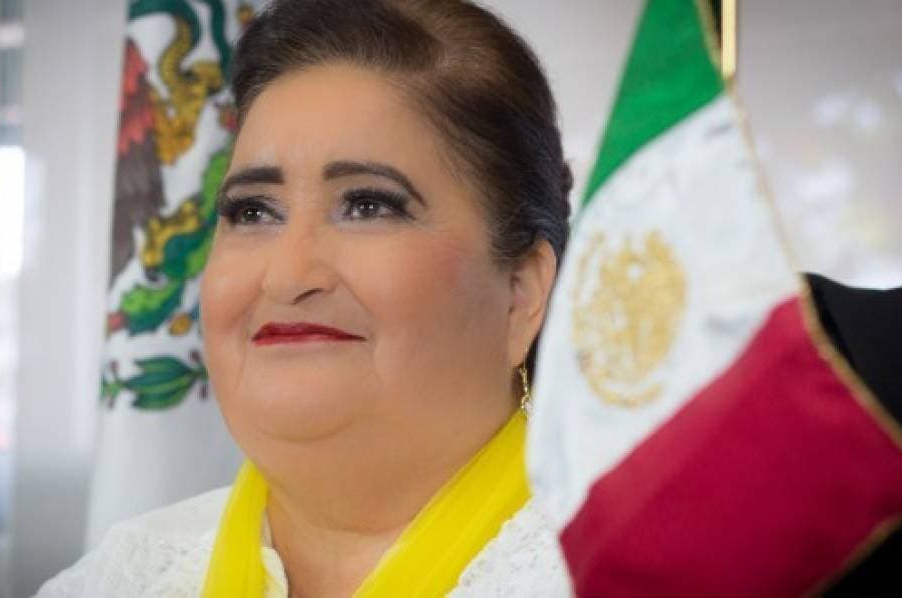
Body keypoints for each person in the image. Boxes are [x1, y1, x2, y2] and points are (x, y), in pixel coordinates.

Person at [38, 0, 572, 595]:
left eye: (367, 205)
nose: (288, 275)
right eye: (253, 211)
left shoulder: (618, 572)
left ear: (521, 293)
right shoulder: (121, 579)